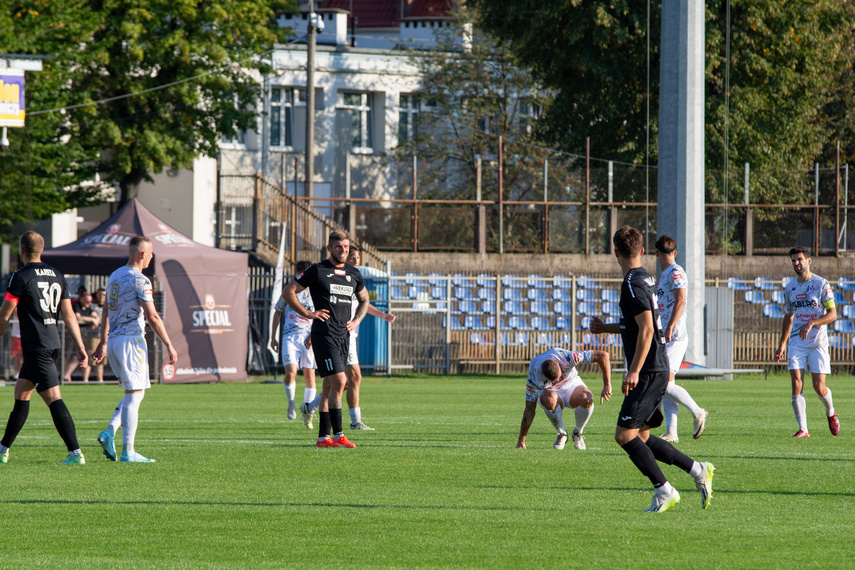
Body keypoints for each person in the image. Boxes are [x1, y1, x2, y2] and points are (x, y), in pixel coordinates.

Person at [591, 226, 714, 513]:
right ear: (643, 251)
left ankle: (664, 490)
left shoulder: (632, 283)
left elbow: (647, 330)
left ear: (616, 252)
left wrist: (633, 371)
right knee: (642, 436)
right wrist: (606, 328)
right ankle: (698, 470)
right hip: (656, 367)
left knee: (625, 436)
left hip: (648, 370)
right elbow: (639, 324)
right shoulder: (645, 277)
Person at [0, 231, 88, 465]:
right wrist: (80, 346)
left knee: (54, 398)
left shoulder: (20, 276)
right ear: (42, 249)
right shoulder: (57, 274)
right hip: (51, 342)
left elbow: (4, 315)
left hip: (36, 346)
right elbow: (68, 314)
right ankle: (3, 449)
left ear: (21, 250)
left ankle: (75, 453)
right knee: (21, 394)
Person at [92, 236, 179, 462]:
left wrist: (103, 341)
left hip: (114, 341)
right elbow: (152, 316)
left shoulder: (114, 276)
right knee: (134, 395)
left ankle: (109, 431)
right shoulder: (140, 280)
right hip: (131, 341)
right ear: (142, 254)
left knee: (134, 394)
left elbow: (105, 311)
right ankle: (128, 451)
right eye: (150, 253)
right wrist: (169, 344)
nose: (151, 257)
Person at [283, 230, 369, 448]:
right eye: (339, 247)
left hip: (344, 335)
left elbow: (365, 299)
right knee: (341, 381)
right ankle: (339, 435)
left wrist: (357, 320)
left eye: (346, 247)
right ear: (329, 248)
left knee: (332, 386)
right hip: (324, 334)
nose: (343, 250)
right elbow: (289, 292)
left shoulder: (353, 273)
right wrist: (309, 314)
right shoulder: (317, 270)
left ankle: (323, 438)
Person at [300, 244, 396, 431]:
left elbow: (364, 304)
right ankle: (354, 422)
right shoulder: (334, 278)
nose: (356, 262)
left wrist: (383, 315)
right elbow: (327, 308)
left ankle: (309, 407)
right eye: (353, 259)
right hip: (338, 334)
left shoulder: (353, 278)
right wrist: (315, 332)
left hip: (348, 334)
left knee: (335, 384)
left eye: (357, 258)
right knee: (354, 377)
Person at [774, 246, 840, 438]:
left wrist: (812, 322)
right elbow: (788, 316)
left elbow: (833, 314)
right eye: (793, 260)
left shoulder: (821, 284)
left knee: (819, 387)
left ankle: (830, 412)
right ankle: (803, 429)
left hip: (818, 341)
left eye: (799, 259)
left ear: (808, 261)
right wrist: (782, 344)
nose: (796, 263)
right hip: (797, 340)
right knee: (796, 383)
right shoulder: (790, 288)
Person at [653, 235, 708, 442]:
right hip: (666, 335)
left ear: (657, 253)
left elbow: (681, 300)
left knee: (663, 382)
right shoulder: (667, 273)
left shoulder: (676, 271)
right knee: (667, 383)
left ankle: (697, 412)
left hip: (675, 336)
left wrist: (669, 327)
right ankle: (672, 432)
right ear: (674, 252)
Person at [516, 347, 611, 451]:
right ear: (542, 374)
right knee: (548, 399)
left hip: (571, 384)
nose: (557, 380)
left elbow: (603, 355)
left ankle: (578, 433)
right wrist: (521, 440)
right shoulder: (534, 373)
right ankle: (562, 433)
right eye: (554, 380)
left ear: (559, 364)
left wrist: (607, 385)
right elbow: (529, 408)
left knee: (587, 398)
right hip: (552, 392)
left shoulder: (568, 357)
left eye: (559, 377)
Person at [270, 260, 318, 426]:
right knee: (290, 373)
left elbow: (322, 315)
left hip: (308, 337)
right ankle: (291, 403)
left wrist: (313, 334)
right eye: (298, 273)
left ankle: (308, 413)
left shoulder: (315, 292)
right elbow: (277, 313)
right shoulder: (289, 292)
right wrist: (273, 337)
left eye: (303, 273)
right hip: (290, 336)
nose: (300, 276)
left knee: (309, 376)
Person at [62, 291, 101, 382]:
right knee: (67, 355)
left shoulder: (89, 308)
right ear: (81, 299)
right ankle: (65, 376)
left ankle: (66, 375)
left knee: (77, 356)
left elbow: (97, 316)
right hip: (71, 335)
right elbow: (78, 317)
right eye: (87, 301)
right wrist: (91, 319)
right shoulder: (76, 306)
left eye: (90, 301)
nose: (89, 303)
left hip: (83, 336)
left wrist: (95, 319)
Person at [8, 308, 22, 380]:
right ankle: (17, 374)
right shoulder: (16, 306)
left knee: (22, 357)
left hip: (25, 335)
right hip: (17, 335)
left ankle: (18, 374)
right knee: (18, 356)